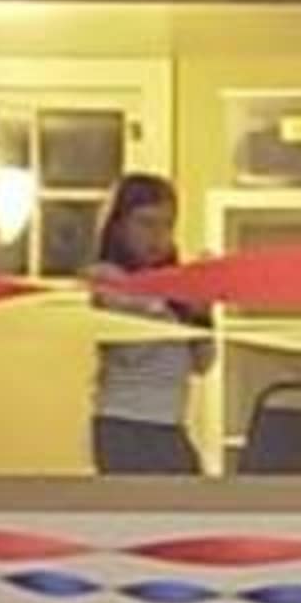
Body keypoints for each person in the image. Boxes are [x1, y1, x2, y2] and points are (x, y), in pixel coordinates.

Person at [88, 171, 205, 478]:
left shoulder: (172, 285)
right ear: (119, 226)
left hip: (170, 423)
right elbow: (131, 351)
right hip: (127, 422)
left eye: (167, 225)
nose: (157, 236)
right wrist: (162, 303)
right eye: (146, 223)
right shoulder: (108, 278)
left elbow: (202, 364)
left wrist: (202, 314)